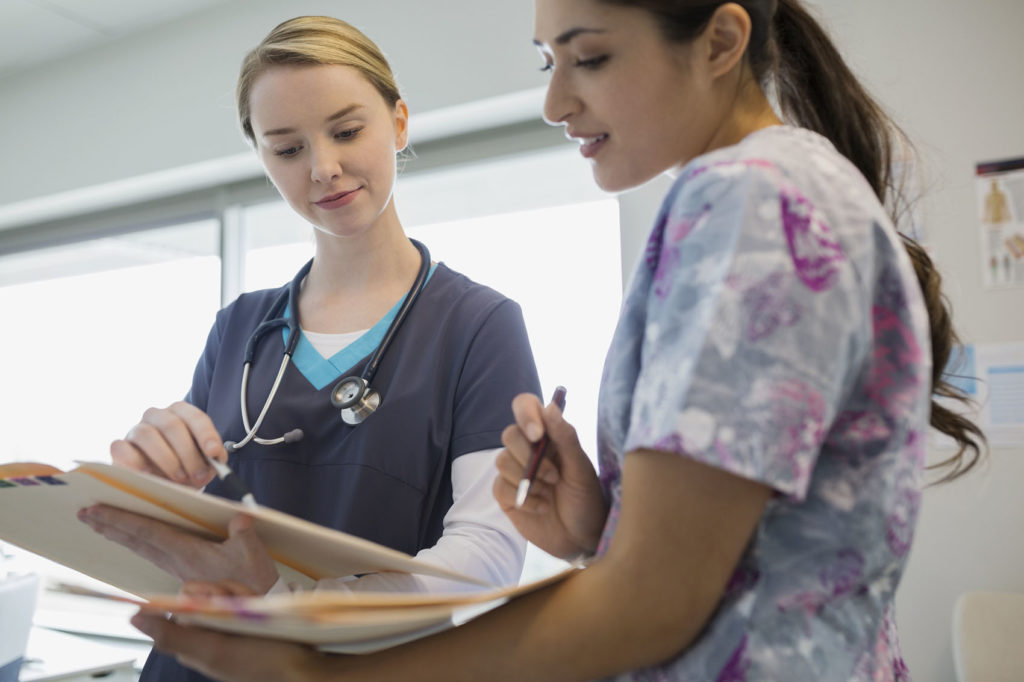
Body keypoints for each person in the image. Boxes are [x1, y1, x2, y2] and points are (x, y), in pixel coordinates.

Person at [129, 0, 987, 679]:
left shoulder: (752, 203)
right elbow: (720, 557)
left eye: (592, 57)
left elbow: (652, 602)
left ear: (722, 42)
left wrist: (323, 668)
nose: (553, 101)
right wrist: (597, 530)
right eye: (549, 62)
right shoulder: (744, 197)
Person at [77, 14, 541, 682]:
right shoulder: (239, 327)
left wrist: (283, 605)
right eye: (287, 149)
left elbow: (485, 557)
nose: (324, 168)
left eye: (347, 131)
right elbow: (195, 522)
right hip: (195, 662)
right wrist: (154, 483)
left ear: (400, 122)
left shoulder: (479, 326)